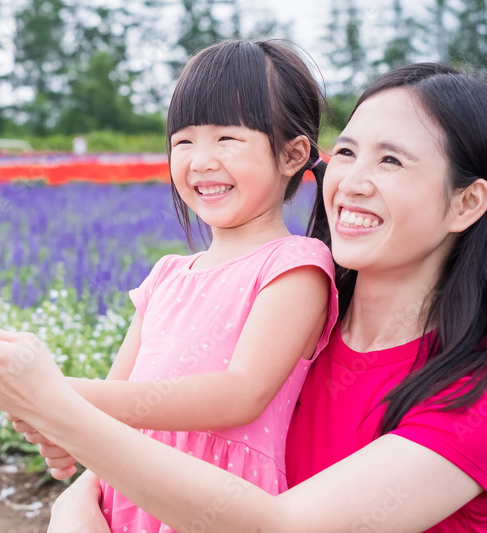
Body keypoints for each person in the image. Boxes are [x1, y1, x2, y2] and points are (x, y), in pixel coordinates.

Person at [0, 62, 487, 532]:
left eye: (392, 160)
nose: (352, 182)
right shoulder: (299, 330)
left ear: (465, 203)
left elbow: (281, 527)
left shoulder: (476, 402)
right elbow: (163, 436)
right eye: (346, 152)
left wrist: (54, 400)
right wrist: (78, 498)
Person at [47, 39, 338, 531]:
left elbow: (240, 394)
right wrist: (67, 428)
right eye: (183, 141)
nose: (200, 160)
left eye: (227, 139)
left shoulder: (296, 265)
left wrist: (59, 397)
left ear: (292, 154)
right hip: (131, 497)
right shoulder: (165, 276)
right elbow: (117, 397)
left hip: (218, 504)